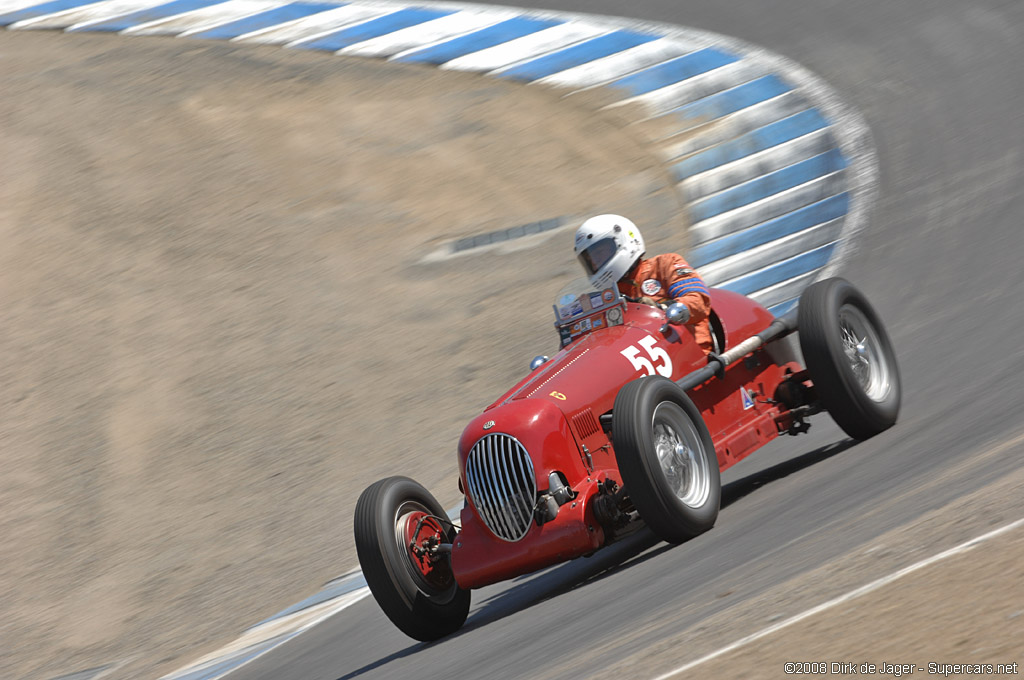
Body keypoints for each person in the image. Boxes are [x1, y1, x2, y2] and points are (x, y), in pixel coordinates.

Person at [574, 214, 713, 354]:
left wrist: (661, 308)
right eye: (591, 259)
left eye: (601, 253)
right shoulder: (605, 299)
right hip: (643, 363)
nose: (596, 262)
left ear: (623, 240)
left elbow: (698, 300)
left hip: (692, 357)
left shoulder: (665, 264)